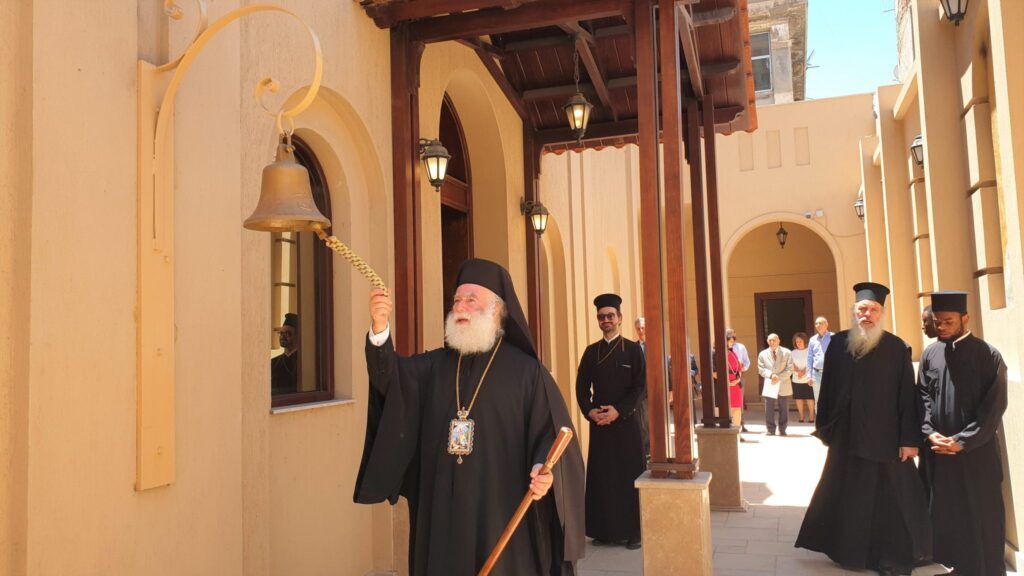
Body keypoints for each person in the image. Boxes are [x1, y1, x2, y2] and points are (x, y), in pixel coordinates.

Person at [354, 258, 586, 576]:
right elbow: (391, 383)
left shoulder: (528, 373)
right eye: (456, 300)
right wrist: (380, 329)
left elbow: (551, 433)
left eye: (471, 299)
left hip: (499, 514)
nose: (460, 307)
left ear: (497, 310)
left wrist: (542, 468)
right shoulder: (434, 367)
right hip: (441, 517)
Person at [796, 282, 931, 576]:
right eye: (862, 309)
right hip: (846, 439)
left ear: (881, 313)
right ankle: (849, 552)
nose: (867, 314)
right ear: (854, 311)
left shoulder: (896, 348)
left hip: (885, 440)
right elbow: (827, 390)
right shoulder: (839, 344)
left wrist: (909, 440)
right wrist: (826, 428)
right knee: (849, 496)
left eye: (873, 309)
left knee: (890, 500)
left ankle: (890, 554)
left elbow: (907, 397)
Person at [919, 291, 1008, 576]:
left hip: (975, 455)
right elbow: (921, 396)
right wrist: (929, 431)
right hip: (940, 453)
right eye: (937, 322)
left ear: (965, 319)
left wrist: (962, 441)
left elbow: (993, 409)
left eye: (948, 321)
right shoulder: (930, 354)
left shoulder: (988, 356)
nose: (941, 327)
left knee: (980, 516)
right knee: (949, 515)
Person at [577, 294, 646, 550]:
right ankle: (603, 530)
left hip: (627, 423)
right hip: (600, 425)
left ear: (620, 318)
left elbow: (640, 387)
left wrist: (619, 411)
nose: (606, 320)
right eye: (601, 317)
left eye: (610, 316)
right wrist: (589, 412)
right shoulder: (590, 352)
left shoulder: (633, 349)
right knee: (603, 476)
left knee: (629, 475)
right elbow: (582, 387)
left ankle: (633, 532)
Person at [757, 333, 793, 436]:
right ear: (767, 341)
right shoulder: (762, 354)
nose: (772, 342)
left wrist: (778, 377)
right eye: (770, 340)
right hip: (770, 382)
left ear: (779, 341)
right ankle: (770, 429)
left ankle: (783, 429)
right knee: (769, 408)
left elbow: (790, 369)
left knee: (784, 408)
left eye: (774, 340)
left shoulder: (787, 352)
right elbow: (761, 369)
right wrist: (771, 375)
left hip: (783, 383)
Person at [724, 328, 751, 431]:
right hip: (726, 381)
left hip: (738, 378)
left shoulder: (740, 347)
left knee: (738, 406)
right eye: (730, 336)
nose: (733, 338)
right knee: (728, 407)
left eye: (733, 335)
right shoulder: (720, 350)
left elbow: (746, 362)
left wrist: (739, 375)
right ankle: (729, 429)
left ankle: (739, 427)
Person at [806, 316, 833, 403]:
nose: (818, 325)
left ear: (827, 324)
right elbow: (809, 358)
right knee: (818, 401)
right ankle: (820, 417)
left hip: (830, 374)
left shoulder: (833, 337)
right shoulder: (812, 340)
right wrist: (809, 375)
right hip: (816, 375)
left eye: (820, 323)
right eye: (816, 323)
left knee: (832, 398)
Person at [271, 312, 299, 394]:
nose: (282, 336)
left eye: (287, 333)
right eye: (281, 333)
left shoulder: (304, 363)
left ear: (298, 335)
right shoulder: (273, 363)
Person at [790, 332, 815, 423]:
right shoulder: (792, 353)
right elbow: (791, 364)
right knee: (799, 398)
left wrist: (804, 371)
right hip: (796, 379)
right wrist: (798, 371)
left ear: (805, 341)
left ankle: (811, 416)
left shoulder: (810, 351)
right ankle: (801, 416)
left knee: (810, 398)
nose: (798, 343)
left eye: (800, 341)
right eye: (797, 342)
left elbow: (811, 363)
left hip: (808, 378)